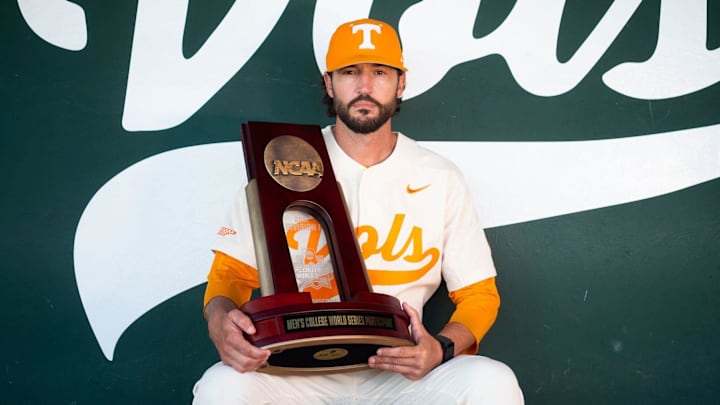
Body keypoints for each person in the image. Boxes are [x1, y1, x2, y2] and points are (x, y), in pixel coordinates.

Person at [193, 18, 524, 404]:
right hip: (296, 369)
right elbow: (230, 274)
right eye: (350, 72)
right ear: (329, 82)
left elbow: (480, 294)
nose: (365, 87)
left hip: (399, 373)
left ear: (401, 83)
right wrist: (219, 321)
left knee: (491, 381)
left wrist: (442, 348)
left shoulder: (439, 176)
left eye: (380, 72)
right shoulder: (283, 161)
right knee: (223, 387)